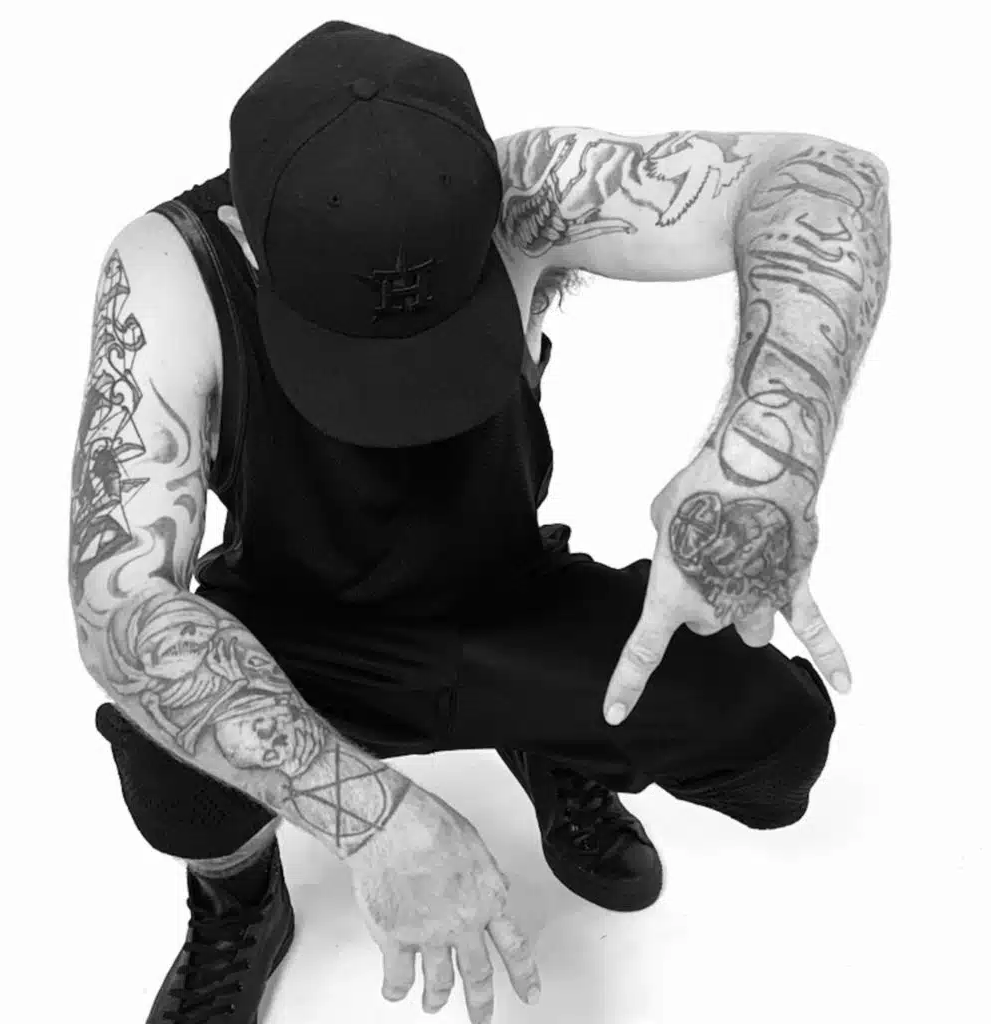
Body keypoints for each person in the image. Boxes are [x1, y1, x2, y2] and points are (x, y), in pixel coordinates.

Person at [68, 19, 889, 1024]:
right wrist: (373, 818)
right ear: (250, 234)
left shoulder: (520, 193)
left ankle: (549, 747)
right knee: (165, 745)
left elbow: (826, 179)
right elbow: (120, 606)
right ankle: (240, 908)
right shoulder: (169, 271)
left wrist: (767, 454)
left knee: (776, 745)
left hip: (505, 596)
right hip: (301, 634)